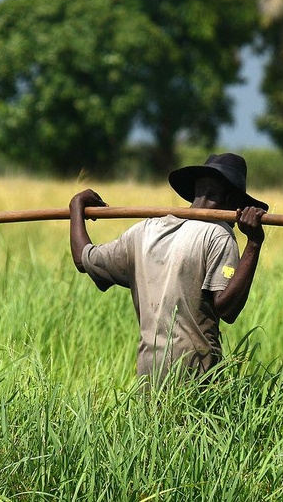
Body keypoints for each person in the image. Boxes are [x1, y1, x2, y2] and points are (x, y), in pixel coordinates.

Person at [69, 153, 268, 387]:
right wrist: (253, 245)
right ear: (231, 200)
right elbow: (227, 309)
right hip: (197, 373)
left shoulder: (144, 230)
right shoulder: (218, 235)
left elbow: (84, 259)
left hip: (148, 371)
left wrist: (76, 206)